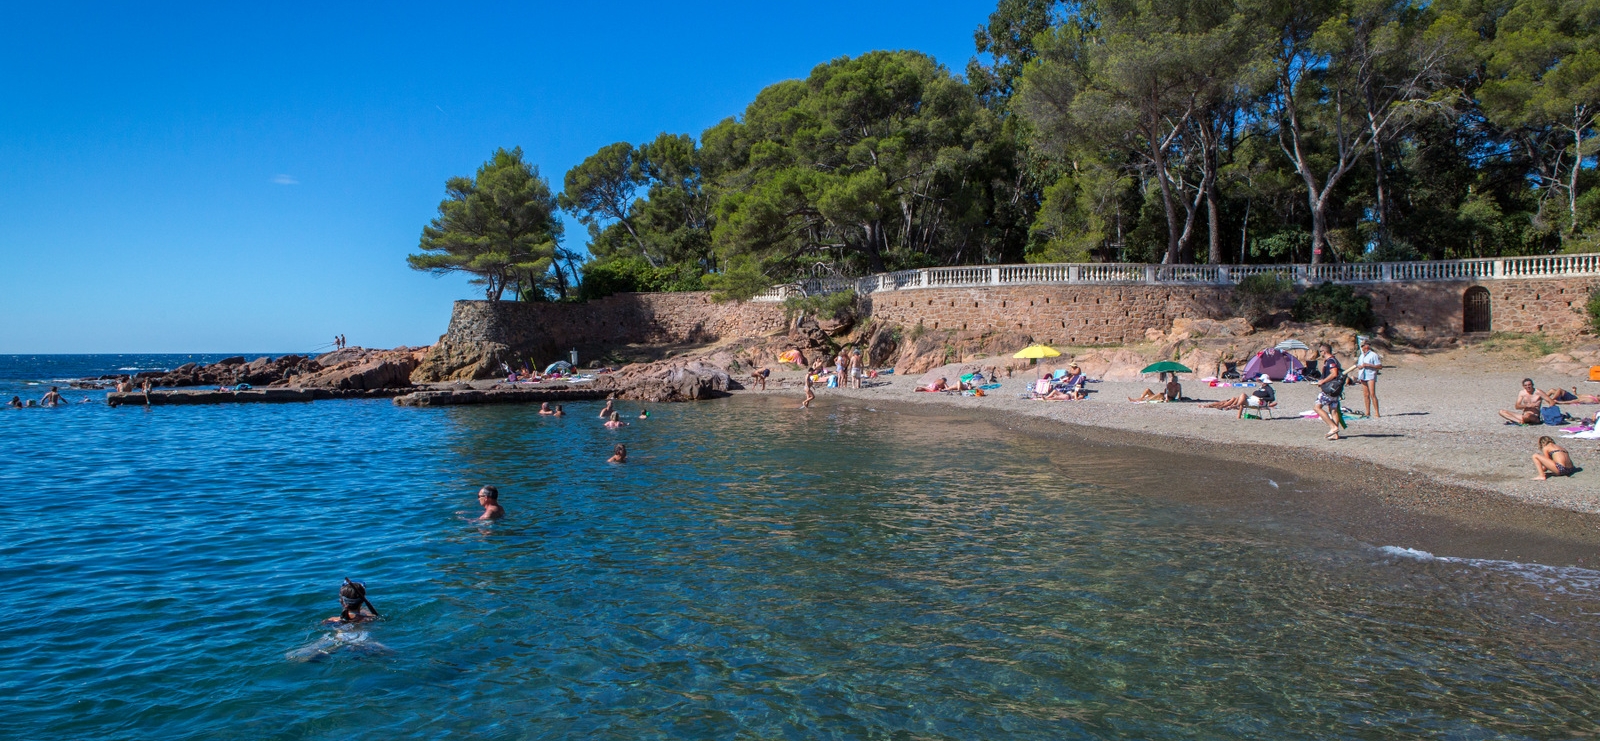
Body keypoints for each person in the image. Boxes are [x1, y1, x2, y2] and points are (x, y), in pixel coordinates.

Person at [1314, 369, 1349, 440]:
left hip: (1330, 390)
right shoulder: (1335, 361)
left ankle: (1333, 427)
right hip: (1335, 390)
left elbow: (1334, 374)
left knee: (1317, 408)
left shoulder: (1330, 361)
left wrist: (1323, 381)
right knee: (1334, 411)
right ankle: (1335, 434)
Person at [1353, 336, 1382, 418]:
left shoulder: (1373, 355)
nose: (1362, 347)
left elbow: (1379, 366)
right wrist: (1359, 366)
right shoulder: (1361, 356)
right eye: (1361, 346)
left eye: (1363, 346)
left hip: (1370, 375)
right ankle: (1367, 412)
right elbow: (1359, 364)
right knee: (1365, 394)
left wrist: (1369, 365)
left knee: (1372, 394)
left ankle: (1377, 412)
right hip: (1362, 375)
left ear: (1367, 346)